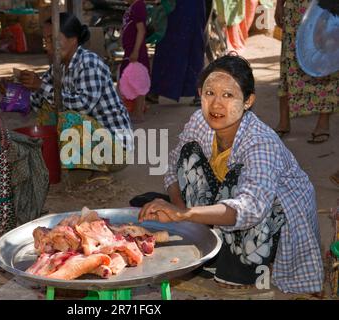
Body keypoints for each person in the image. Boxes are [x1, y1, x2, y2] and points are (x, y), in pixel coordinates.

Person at [139, 54, 323, 293]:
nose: (216, 104)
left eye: (228, 95)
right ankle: (205, 238)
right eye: (209, 93)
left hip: (268, 218)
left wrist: (185, 214)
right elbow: (173, 166)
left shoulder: (260, 141)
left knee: (240, 180)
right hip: (224, 203)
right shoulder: (199, 120)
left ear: (248, 101)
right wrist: (179, 213)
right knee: (188, 154)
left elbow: (252, 207)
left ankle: (241, 263)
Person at [3, 13, 133, 183]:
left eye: (53, 39)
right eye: (46, 40)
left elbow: (83, 106)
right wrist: (10, 91)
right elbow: (35, 103)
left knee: (68, 116)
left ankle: (101, 169)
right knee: (46, 107)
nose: (48, 45)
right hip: (96, 141)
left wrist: (41, 86)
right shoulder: (58, 67)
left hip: (116, 148)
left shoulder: (88, 63)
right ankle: (76, 163)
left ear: (73, 39)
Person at [274, 0, 338, 143]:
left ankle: (323, 122)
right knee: (289, 60)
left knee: (322, 60)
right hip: (293, 9)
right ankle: (283, 121)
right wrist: (279, 5)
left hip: (322, 8)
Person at [149, 0, 207, 105]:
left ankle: (197, 92)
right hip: (177, 8)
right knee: (168, 44)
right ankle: (155, 90)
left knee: (192, 45)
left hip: (190, 8)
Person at [120, 0, 150, 122]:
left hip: (135, 51)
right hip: (130, 50)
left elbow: (141, 30)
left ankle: (138, 113)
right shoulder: (132, 7)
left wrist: (136, 51)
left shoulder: (138, 5)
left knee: (138, 82)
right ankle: (136, 110)